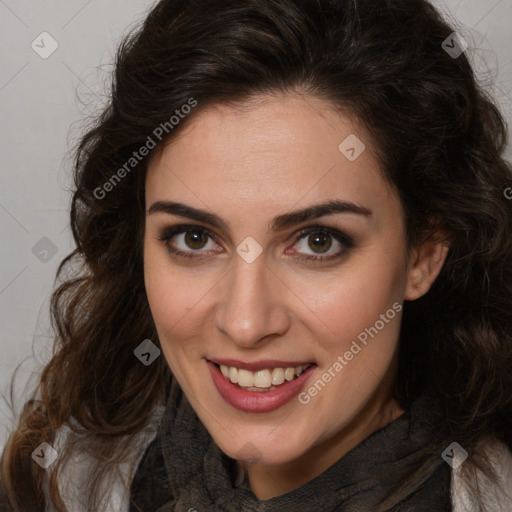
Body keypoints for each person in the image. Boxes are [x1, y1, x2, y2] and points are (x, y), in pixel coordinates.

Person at [1, 0, 512, 510]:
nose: (245, 323)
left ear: (423, 254)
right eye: (194, 238)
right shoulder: (59, 480)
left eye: (318, 241)